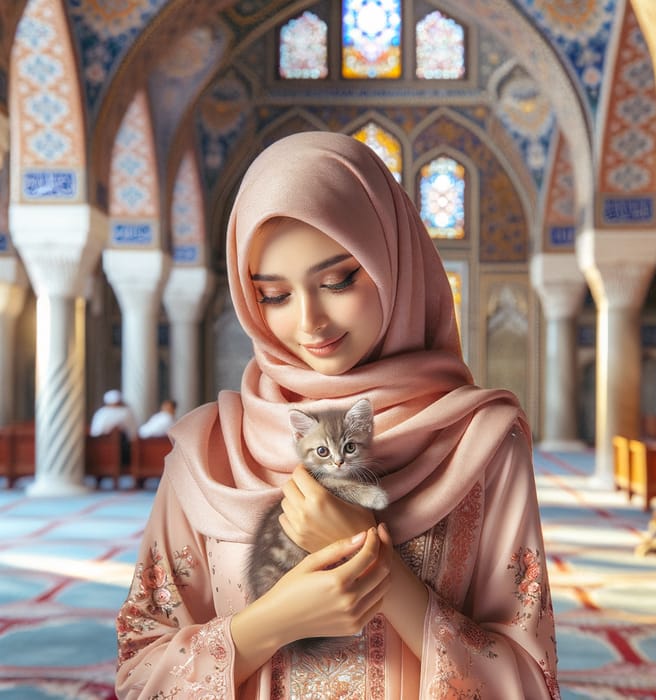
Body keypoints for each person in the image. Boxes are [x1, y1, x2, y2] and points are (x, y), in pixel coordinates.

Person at [114, 132, 560, 698]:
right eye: (273, 296)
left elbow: (530, 683)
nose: (310, 324)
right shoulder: (211, 452)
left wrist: (381, 573)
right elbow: (138, 674)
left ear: (394, 262)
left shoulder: (482, 443)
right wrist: (272, 622)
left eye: (339, 280)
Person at [89, 389, 137, 466]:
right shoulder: (126, 412)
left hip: (102, 450)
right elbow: (133, 434)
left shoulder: (101, 413)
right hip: (119, 450)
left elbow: (95, 432)